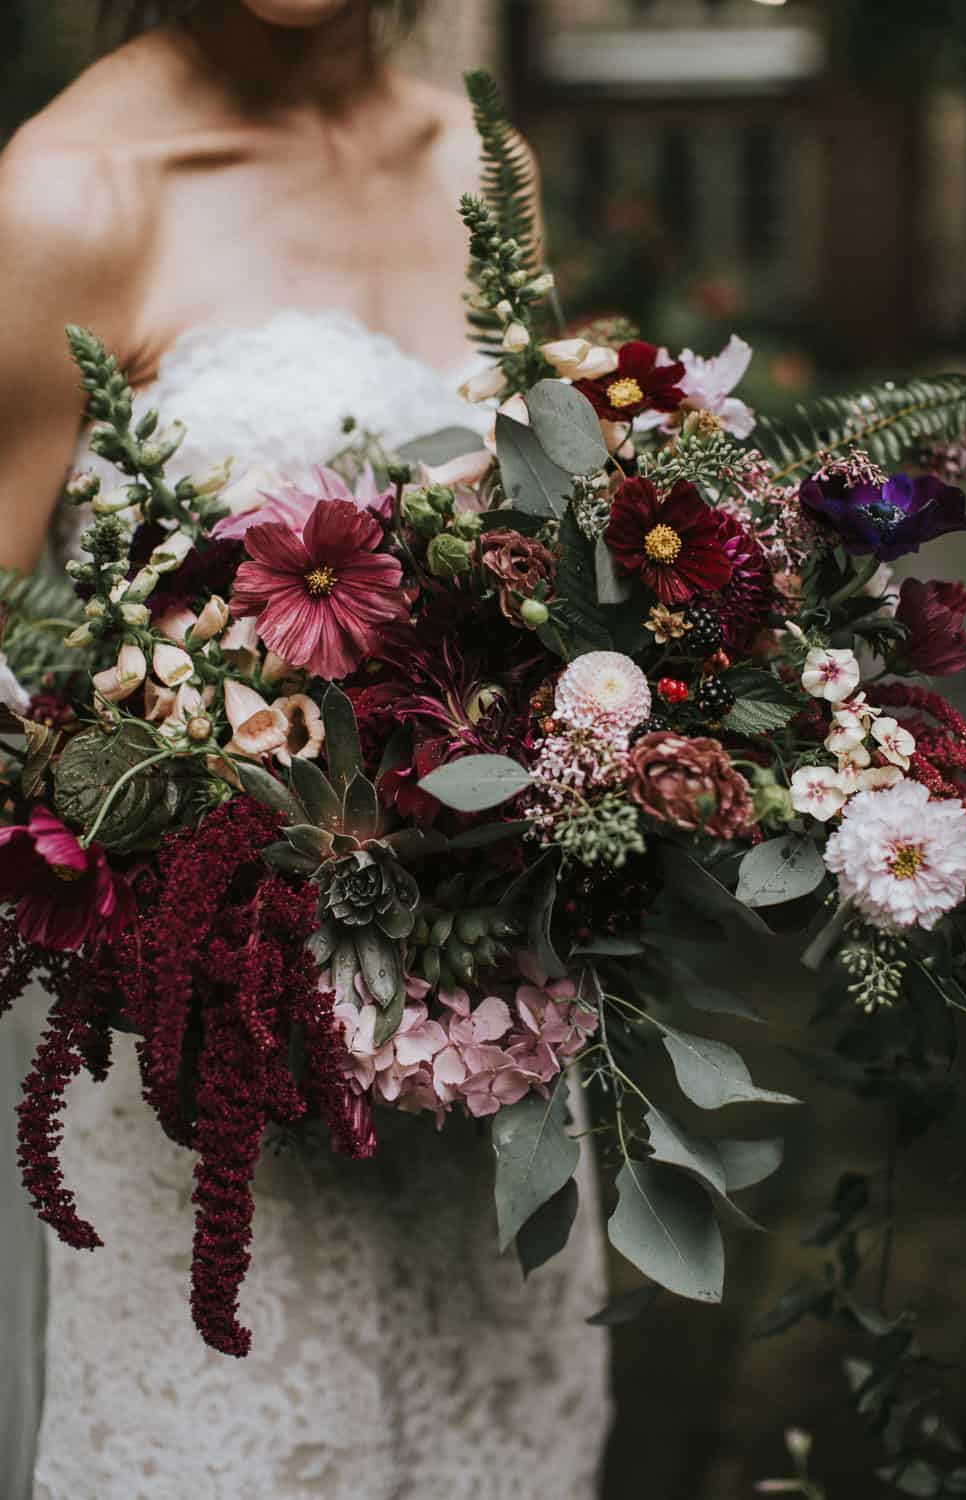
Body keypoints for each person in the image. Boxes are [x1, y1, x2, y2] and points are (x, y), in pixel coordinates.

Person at [0, 4, 611, 1496]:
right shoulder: (72, 193)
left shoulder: (482, 158)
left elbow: (567, 558)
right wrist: (196, 802)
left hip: (495, 1062)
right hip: (214, 1084)